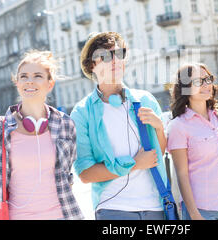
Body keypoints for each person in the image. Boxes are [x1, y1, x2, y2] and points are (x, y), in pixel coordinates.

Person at [70, 31, 168, 220]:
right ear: (92, 65)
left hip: (155, 205)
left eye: (120, 54)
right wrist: (135, 164)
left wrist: (159, 128)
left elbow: (158, 154)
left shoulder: (145, 100)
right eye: (105, 56)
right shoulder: (82, 113)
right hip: (113, 208)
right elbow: (86, 173)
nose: (115, 60)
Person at [0, 50, 84, 220]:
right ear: (17, 83)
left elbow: (67, 177)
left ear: (50, 84)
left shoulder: (65, 124)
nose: (29, 81)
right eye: (24, 76)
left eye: (37, 76)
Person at [167, 63, 218, 220]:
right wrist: (194, 214)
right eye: (198, 81)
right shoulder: (178, 126)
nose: (206, 85)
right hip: (200, 209)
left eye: (208, 79)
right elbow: (182, 175)